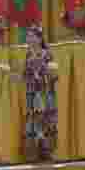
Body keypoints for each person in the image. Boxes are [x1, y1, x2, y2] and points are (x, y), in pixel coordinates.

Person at [10, 27, 58, 162]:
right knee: (34, 121)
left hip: (45, 92)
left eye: (32, 36)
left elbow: (53, 75)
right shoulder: (28, 55)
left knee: (46, 120)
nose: (29, 39)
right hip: (32, 93)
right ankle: (36, 151)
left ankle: (47, 150)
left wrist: (46, 75)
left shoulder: (47, 54)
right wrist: (14, 76)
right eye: (28, 37)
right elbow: (25, 76)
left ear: (40, 38)